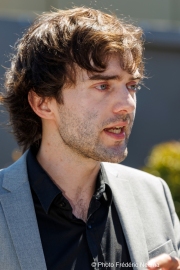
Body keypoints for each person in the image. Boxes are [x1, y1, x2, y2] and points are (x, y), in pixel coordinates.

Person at [0, 7, 180, 270]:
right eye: (103, 86)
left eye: (132, 86)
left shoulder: (154, 195)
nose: (127, 104)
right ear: (43, 103)